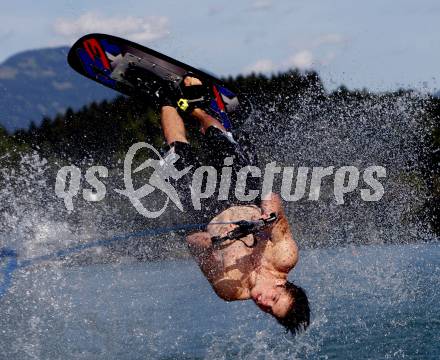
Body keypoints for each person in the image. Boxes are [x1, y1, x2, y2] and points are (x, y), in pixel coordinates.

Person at [157, 75, 310, 334]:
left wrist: (214, 243)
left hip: (204, 211)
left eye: (269, 311)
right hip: (244, 195)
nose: (263, 303)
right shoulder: (284, 258)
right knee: (217, 136)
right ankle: (197, 110)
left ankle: (164, 98)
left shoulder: (229, 289)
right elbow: (273, 200)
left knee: (177, 154)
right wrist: (267, 219)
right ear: (284, 286)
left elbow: (194, 244)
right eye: (274, 300)